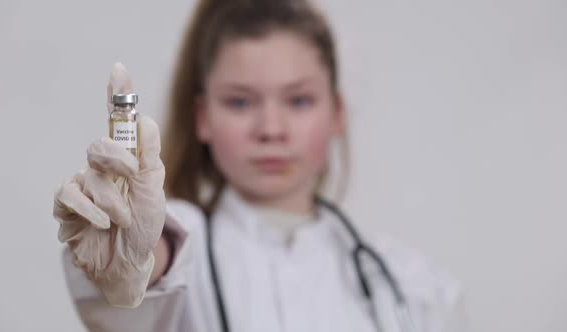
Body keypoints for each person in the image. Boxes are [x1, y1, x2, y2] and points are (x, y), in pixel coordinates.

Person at [53, 0, 466, 331]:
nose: (271, 129)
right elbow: (148, 266)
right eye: (240, 101)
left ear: (337, 113)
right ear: (203, 119)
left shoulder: (411, 283)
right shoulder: (178, 240)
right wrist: (126, 261)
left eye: (299, 100)